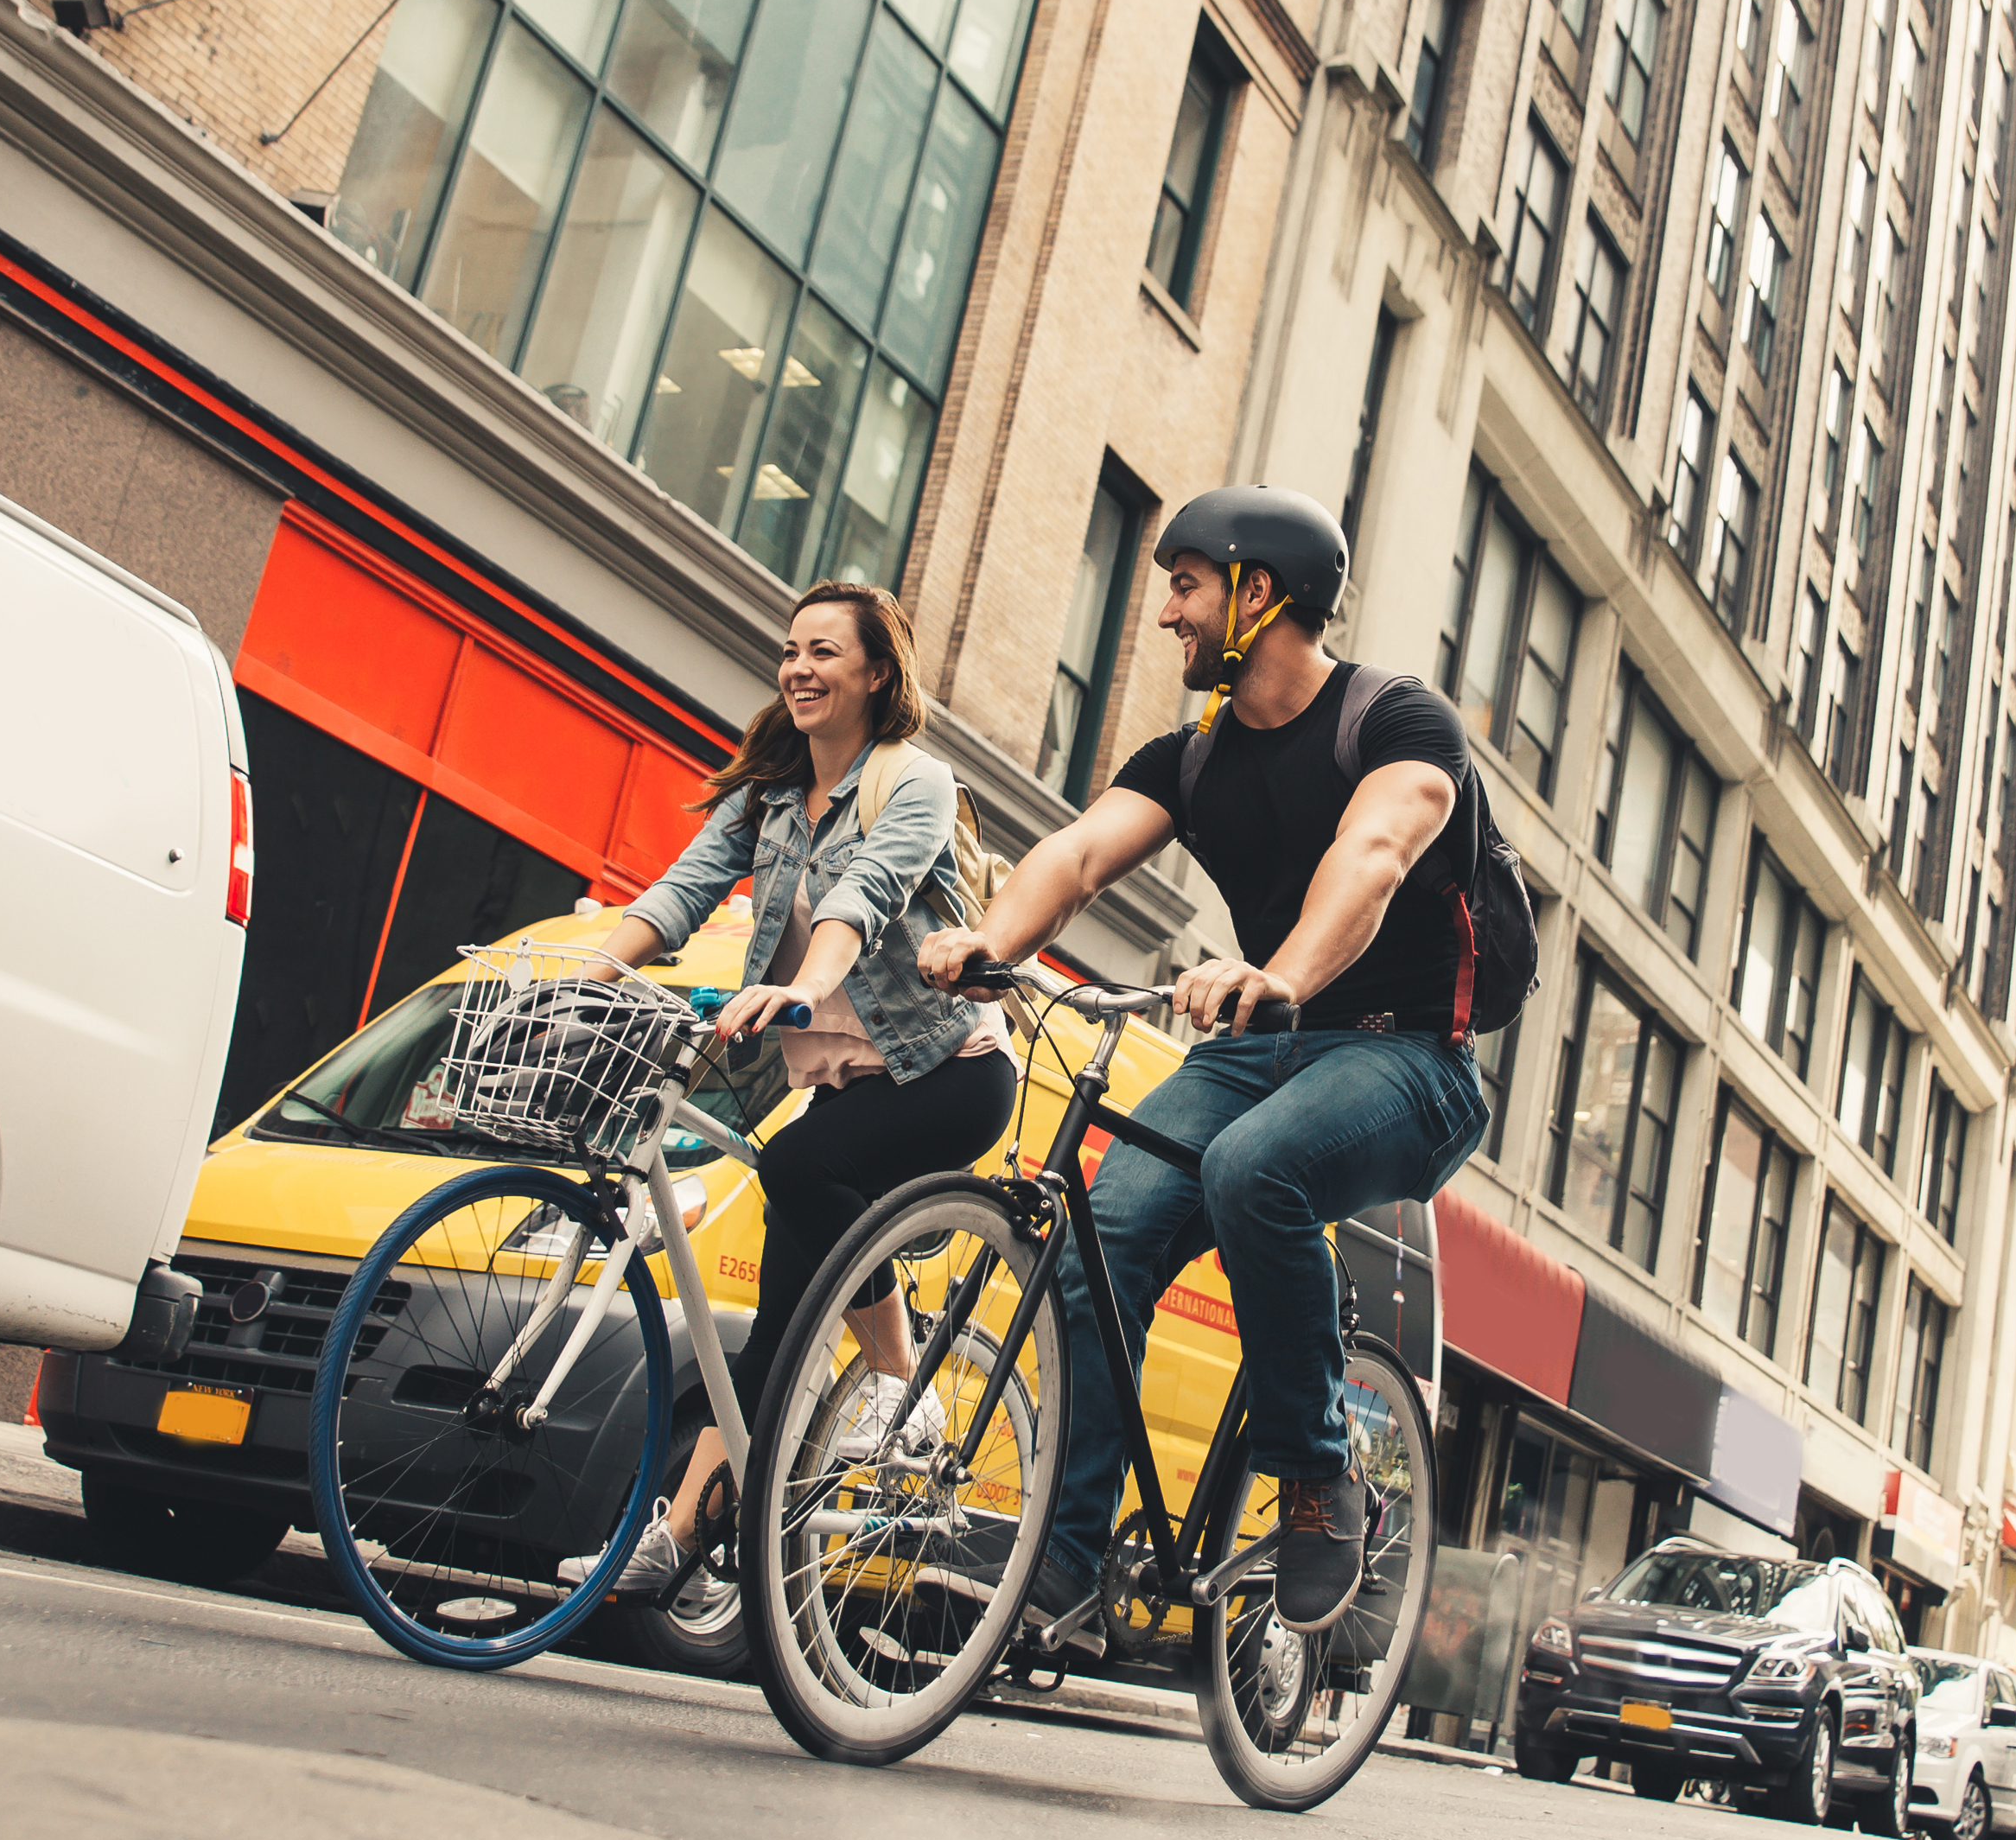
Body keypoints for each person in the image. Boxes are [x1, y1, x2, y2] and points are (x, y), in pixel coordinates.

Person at [919, 485, 1492, 1636]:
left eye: (1185, 584)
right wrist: (991, 939)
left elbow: (1372, 854)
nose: (1167, 613)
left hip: (1407, 1061)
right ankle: (1063, 1558)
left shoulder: (1396, 725)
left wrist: (1282, 973)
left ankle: (1318, 1481)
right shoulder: (1191, 759)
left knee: (1251, 1171)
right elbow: (1077, 855)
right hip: (1262, 1050)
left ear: (1258, 592)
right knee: (1100, 1234)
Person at [554, 579, 1018, 1600]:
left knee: (799, 1161)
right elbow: (680, 890)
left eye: (825, 652)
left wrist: (803, 989)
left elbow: (865, 895)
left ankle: (903, 1389)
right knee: (777, 1323)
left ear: (876, 674)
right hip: (850, 1083)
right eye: (791, 650)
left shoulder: (916, 782)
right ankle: (681, 1540)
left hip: (951, 1070)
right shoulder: (765, 798)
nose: (800, 667)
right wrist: (588, 972)